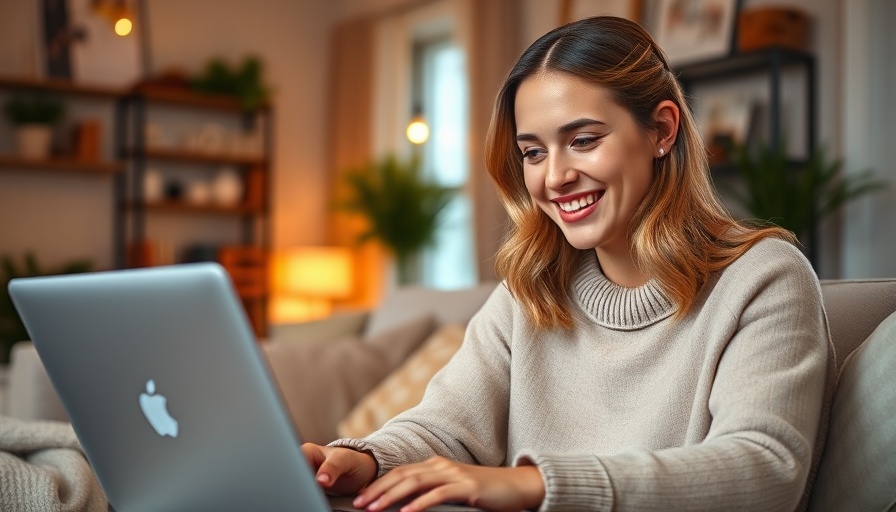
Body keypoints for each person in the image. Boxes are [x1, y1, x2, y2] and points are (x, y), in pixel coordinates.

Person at [302, 16, 832, 512]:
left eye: (582, 140)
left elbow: (765, 469)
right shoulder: (529, 290)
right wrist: (365, 459)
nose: (554, 178)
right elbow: (446, 428)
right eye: (533, 152)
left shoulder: (764, 279)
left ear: (662, 131)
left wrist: (538, 484)